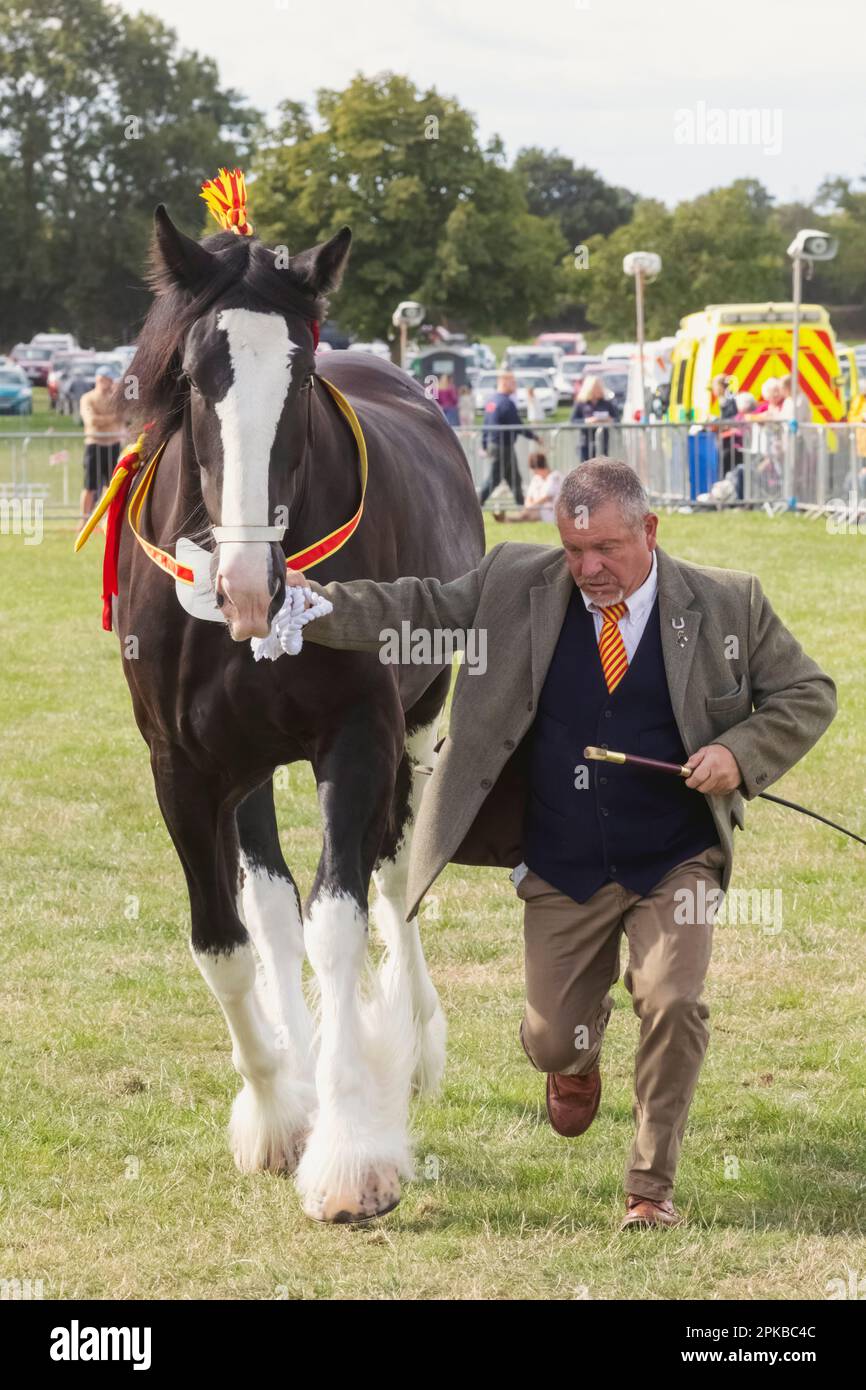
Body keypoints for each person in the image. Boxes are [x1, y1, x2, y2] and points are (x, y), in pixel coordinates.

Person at [288, 458, 836, 1231]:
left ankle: (650, 1191)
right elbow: (416, 608)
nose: (588, 569)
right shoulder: (515, 580)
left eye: (606, 549)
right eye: (575, 552)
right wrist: (306, 604)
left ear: (650, 530)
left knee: (673, 1001)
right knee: (550, 1039)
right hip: (561, 861)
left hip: (673, 855)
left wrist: (741, 754)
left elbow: (809, 692)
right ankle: (576, 1059)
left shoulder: (727, 602)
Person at [479, 371, 538, 508]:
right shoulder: (506, 403)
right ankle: (475, 504)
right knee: (494, 479)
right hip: (502, 446)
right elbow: (517, 425)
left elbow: (485, 425)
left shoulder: (491, 401)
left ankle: (521, 505)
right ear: (504, 383)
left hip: (496, 445)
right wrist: (534, 437)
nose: (515, 386)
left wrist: (484, 444)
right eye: (513, 382)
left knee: (514, 477)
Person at [78, 369, 124, 533]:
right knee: (89, 486)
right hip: (94, 445)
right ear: (100, 379)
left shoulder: (115, 399)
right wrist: (111, 418)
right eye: (108, 379)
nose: (111, 383)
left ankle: (106, 521)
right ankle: (84, 521)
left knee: (110, 486)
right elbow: (91, 421)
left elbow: (124, 415)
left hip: (113, 445)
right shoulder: (88, 398)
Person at [493, 451, 562, 523]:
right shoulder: (536, 478)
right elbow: (529, 496)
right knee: (529, 513)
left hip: (550, 510)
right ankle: (507, 519)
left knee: (530, 514)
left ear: (537, 468)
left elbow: (546, 498)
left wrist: (530, 506)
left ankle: (507, 519)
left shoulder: (555, 477)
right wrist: (529, 505)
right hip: (535, 508)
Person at [570, 375, 620, 461]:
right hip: (586, 442)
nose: (598, 389)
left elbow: (617, 419)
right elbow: (573, 421)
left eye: (599, 386)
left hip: (603, 442)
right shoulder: (581, 403)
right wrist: (587, 421)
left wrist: (609, 420)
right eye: (595, 387)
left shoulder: (607, 403)